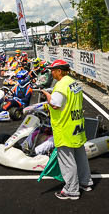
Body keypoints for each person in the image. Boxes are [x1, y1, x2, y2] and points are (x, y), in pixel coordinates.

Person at [40, 59, 91, 200]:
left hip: (65, 127)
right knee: (81, 156)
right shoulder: (73, 82)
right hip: (77, 125)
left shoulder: (61, 84)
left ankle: (72, 190)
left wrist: (46, 95)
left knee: (67, 161)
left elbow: (55, 104)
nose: (51, 72)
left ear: (60, 71)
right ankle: (86, 182)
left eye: (53, 70)